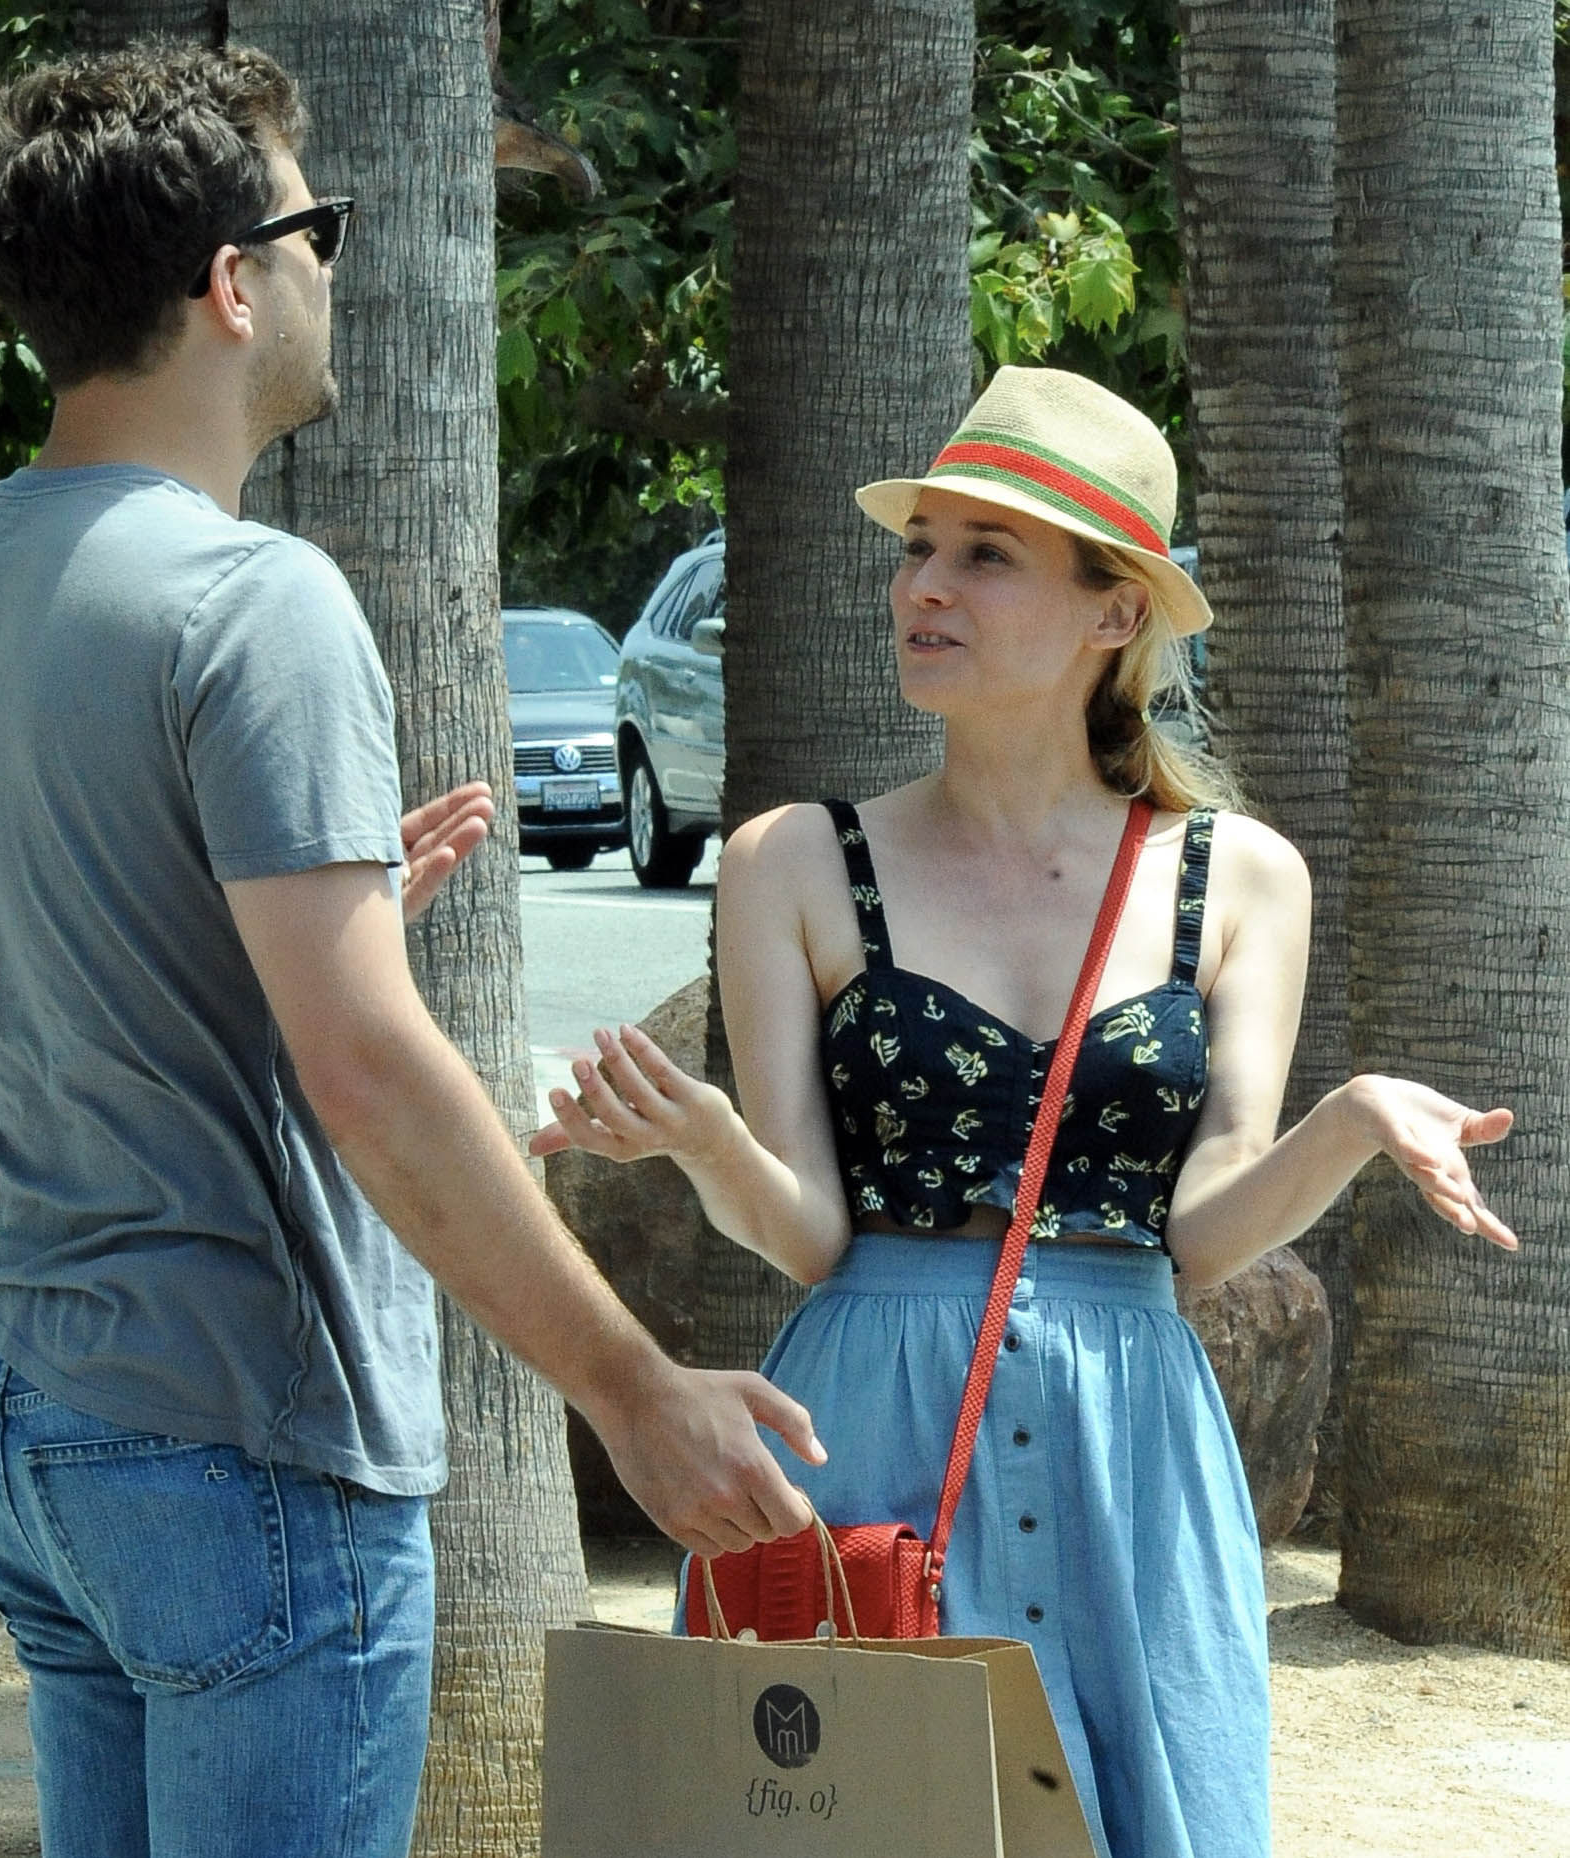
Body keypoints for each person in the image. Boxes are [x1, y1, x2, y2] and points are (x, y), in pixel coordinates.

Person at [0, 44, 821, 1858]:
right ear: (233, 283)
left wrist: (249, 962)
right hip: (249, 1444)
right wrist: (633, 1386)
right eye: (321, 231)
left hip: (42, 1428)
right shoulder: (255, 598)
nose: (329, 269)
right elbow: (367, 1071)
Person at [531, 365, 1517, 1858]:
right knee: (851, 1822)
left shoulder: (1239, 875)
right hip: (871, 1419)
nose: (924, 585)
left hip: (1134, 1439)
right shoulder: (792, 860)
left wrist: (1354, 1121)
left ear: (1115, 611)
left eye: (985, 554)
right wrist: (706, 1140)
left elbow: (1196, 1234)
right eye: (919, 547)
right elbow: (810, 1234)